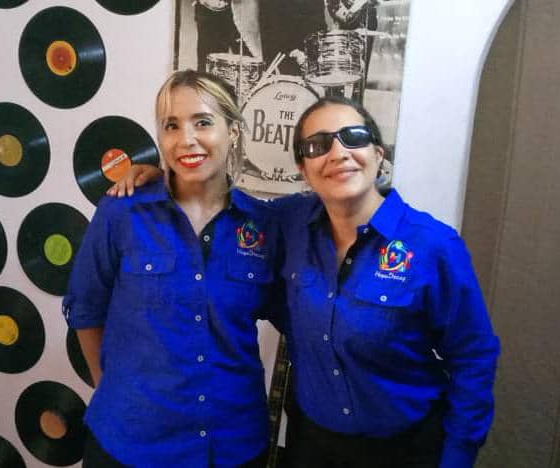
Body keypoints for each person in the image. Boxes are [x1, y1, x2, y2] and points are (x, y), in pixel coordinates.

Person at [111, 96, 500, 468]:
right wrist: (159, 177)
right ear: (303, 168)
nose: (338, 153)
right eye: (317, 145)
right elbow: (222, 204)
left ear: (378, 154)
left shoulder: (434, 245)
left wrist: (458, 455)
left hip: (406, 448)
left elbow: (474, 357)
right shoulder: (286, 223)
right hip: (311, 445)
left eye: (354, 137)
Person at [63, 69, 283, 467]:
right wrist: (112, 390)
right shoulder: (122, 211)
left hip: (231, 445)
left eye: (203, 122)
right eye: (171, 125)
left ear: (233, 131)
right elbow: (85, 310)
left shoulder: (263, 226)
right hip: (132, 443)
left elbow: (294, 313)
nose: (186, 139)